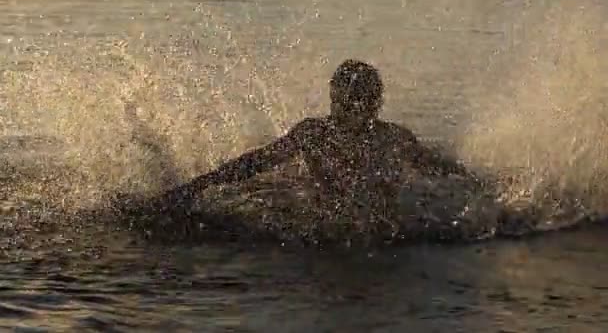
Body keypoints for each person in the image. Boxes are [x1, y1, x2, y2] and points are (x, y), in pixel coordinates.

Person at [119, 59, 469, 225]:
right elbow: (252, 163)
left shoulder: (393, 138)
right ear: (333, 100)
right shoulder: (315, 133)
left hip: (367, 220)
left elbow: (440, 170)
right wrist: (195, 186)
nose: (351, 110)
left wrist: (489, 190)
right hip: (322, 210)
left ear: (376, 103)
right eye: (344, 102)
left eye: (361, 101)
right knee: (261, 193)